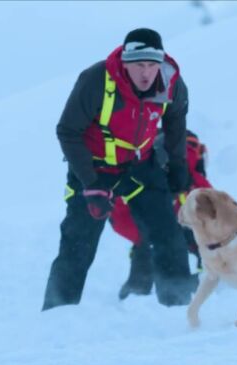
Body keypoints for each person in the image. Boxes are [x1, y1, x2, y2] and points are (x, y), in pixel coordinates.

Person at [43, 28, 194, 311]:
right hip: (94, 167)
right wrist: (91, 183)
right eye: (139, 65)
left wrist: (178, 169)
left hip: (140, 165)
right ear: (125, 63)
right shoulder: (97, 80)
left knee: (169, 234)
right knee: (78, 243)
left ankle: (178, 307)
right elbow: (67, 131)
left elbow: (175, 127)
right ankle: (57, 314)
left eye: (152, 65)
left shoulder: (171, 83)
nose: (146, 73)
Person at [111, 130, 212, 300]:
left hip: (120, 213)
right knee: (190, 239)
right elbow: (214, 210)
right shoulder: (189, 170)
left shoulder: (147, 158)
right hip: (169, 223)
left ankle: (137, 287)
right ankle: (193, 284)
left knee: (147, 242)